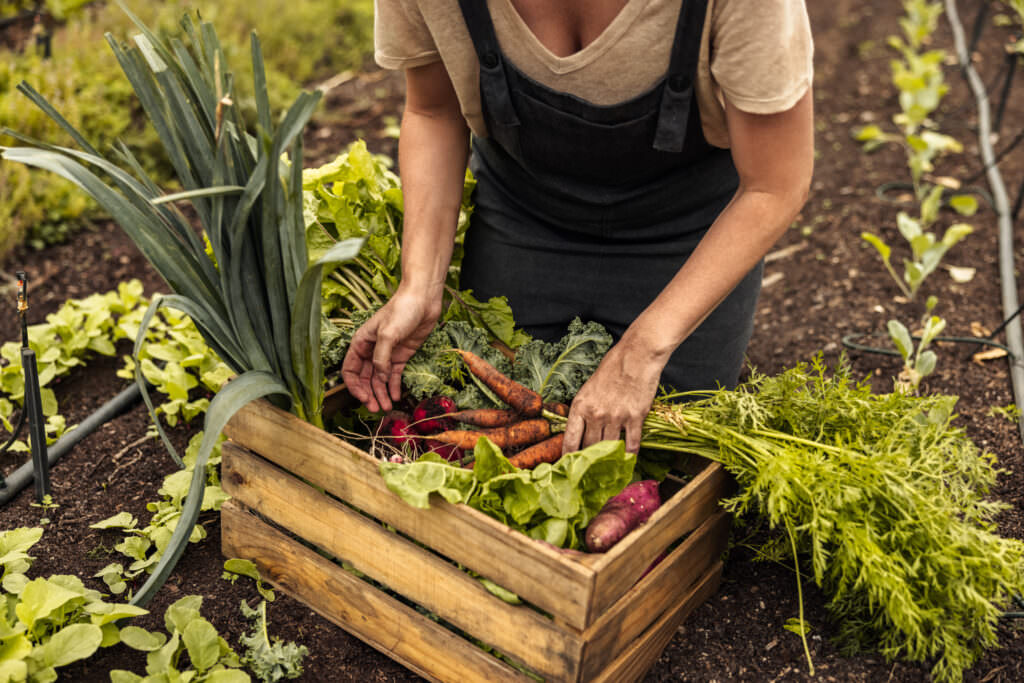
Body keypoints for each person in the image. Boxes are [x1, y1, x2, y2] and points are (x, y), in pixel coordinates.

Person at [342, 0, 815, 456]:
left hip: (687, 235)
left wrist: (643, 350)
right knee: (495, 432)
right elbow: (433, 110)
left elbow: (774, 186)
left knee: (666, 456)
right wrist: (420, 286)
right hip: (525, 216)